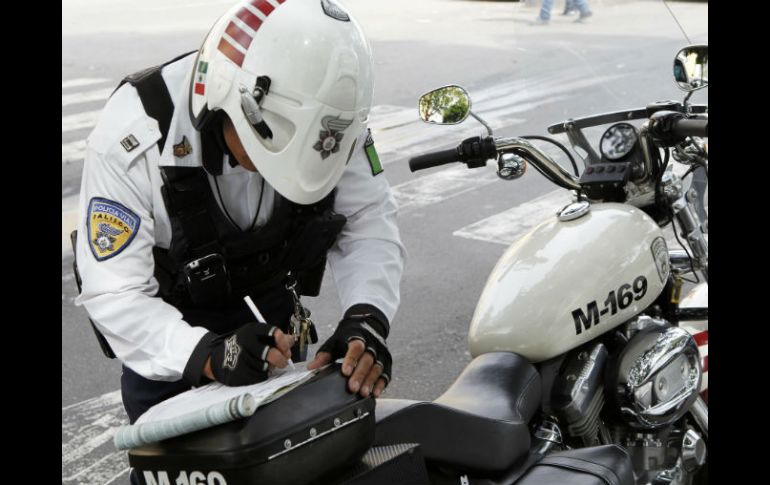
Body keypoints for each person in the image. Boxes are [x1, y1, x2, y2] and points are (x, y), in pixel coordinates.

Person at [74, 0, 406, 426]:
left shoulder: (333, 122)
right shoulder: (135, 133)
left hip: (272, 323)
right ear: (221, 101)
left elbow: (367, 220)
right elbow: (115, 292)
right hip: (167, 336)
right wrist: (206, 355)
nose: (282, 177)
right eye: (266, 148)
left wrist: (367, 317)